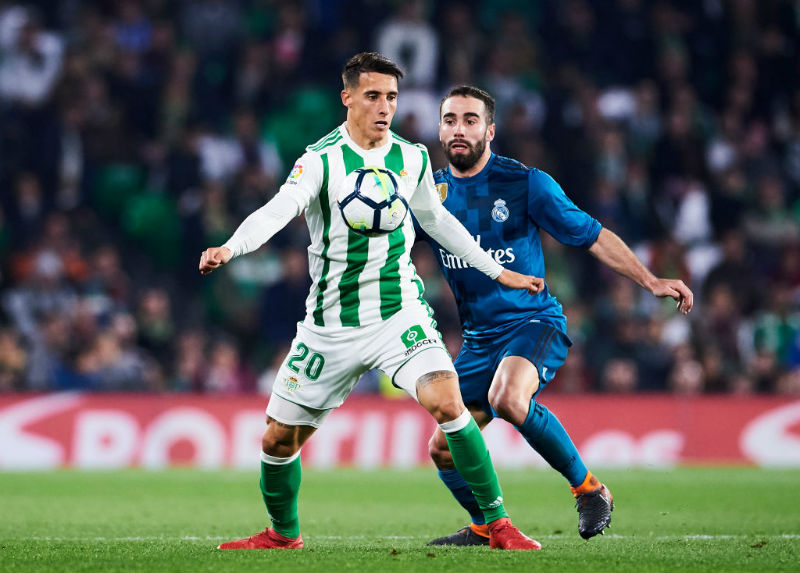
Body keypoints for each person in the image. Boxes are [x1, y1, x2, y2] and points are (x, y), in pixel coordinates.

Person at [198, 53, 545, 551]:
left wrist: (497, 270)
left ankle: (498, 524)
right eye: (373, 96)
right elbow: (278, 210)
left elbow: (438, 221)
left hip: (397, 313)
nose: (385, 107)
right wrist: (231, 247)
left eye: (392, 97)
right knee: (276, 441)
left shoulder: (412, 157)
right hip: (329, 325)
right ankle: (283, 534)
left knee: (449, 403)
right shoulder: (320, 161)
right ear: (347, 98)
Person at [421, 86, 694, 545]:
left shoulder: (526, 183)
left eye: (470, 120)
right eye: (450, 120)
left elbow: (592, 234)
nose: (459, 129)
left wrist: (650, 281)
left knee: (508, 397)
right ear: (440, 129)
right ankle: (485, 526)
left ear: (490, 130)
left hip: (532, 323)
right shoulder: (427, 195)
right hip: (478, 340)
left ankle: (589, 490)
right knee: (443, 449)